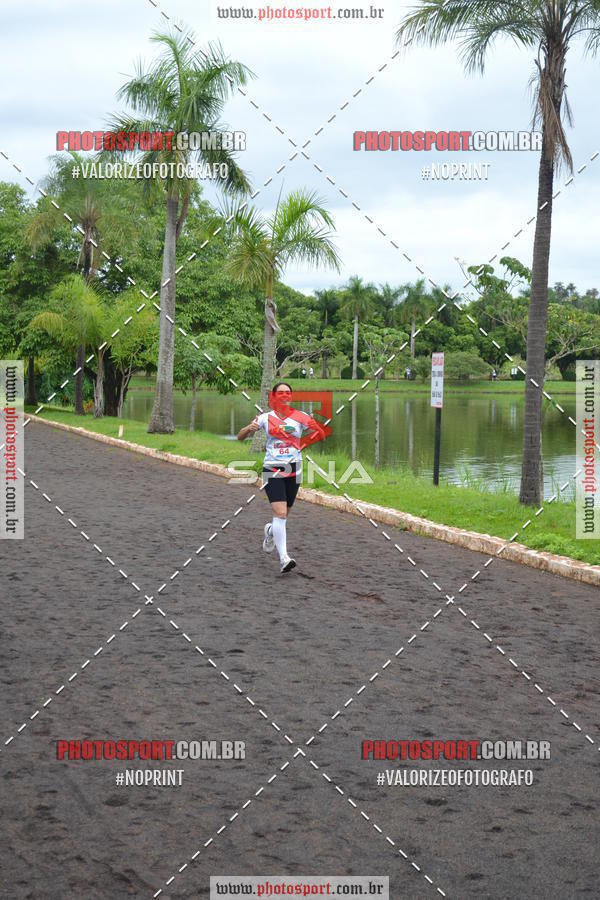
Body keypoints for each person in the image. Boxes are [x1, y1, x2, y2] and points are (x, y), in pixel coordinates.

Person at [237, 382, 326, 573]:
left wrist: (313, 427)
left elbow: (322, 435)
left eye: (288, 393)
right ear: (274, 397)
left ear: (291, 396)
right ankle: (284, 558)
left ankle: (270, 532)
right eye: (281, 393)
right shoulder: (265, 418)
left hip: (294, 471)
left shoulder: (300, 416)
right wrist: (250, 428)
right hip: (272, 470)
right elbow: (240, 437)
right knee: (281, 514)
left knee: (283, 517)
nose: (285, 395)